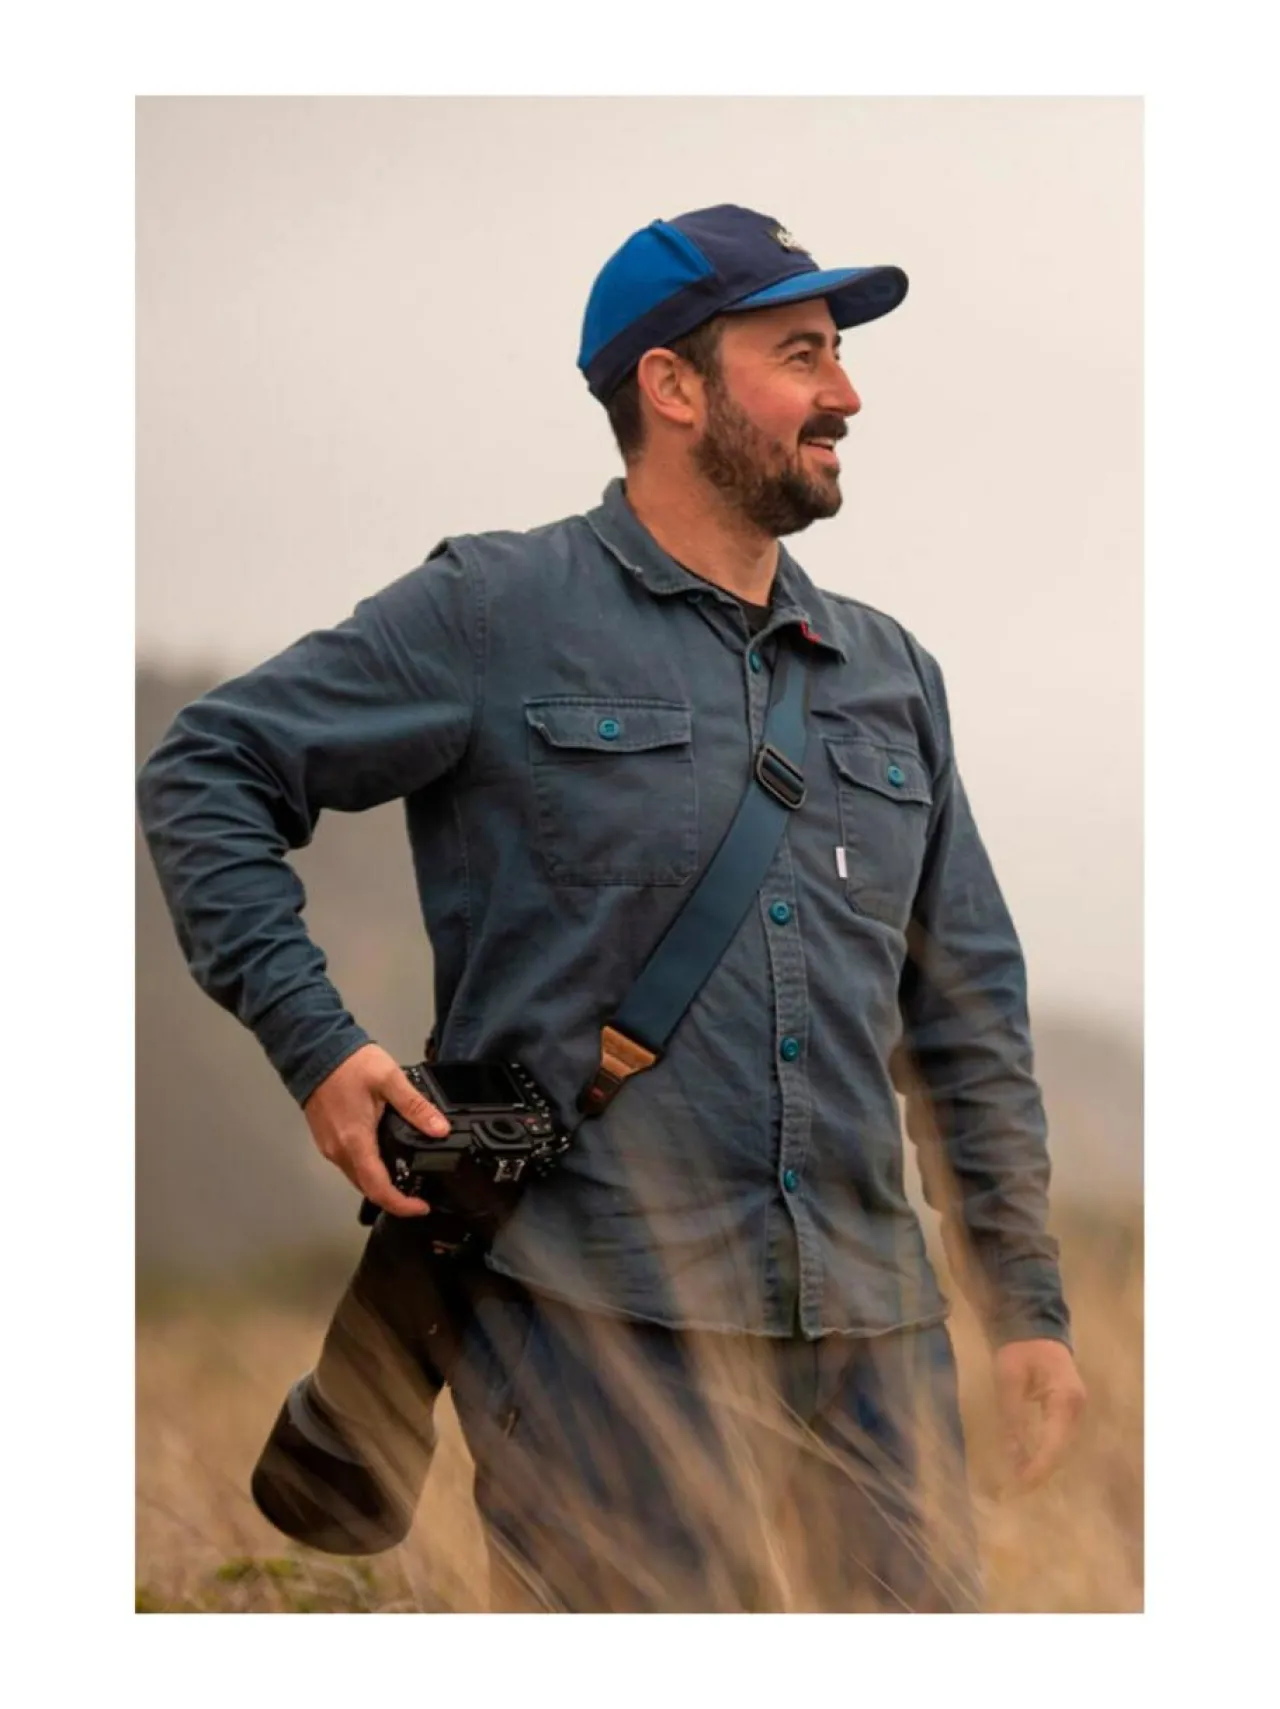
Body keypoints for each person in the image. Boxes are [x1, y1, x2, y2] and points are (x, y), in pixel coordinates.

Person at [137, 202, 1087, 1612]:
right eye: (803, 354)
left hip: (874, 1343)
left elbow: (966, 1010)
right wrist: (318, 1046)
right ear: (672, 385)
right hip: (592, 1334)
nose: (847, 393)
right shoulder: (495, 610)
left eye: (840, 355)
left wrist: (1024, 1301)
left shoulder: (892, 673)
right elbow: (208, 770)